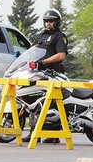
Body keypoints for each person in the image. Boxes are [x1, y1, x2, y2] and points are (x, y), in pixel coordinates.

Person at [22, 8, 68, 144]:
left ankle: (53, 135)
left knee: (52, 104)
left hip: (54, 73)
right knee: (35, 103)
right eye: (46, 21)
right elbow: (32, 51)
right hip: (39, 74)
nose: (48, 24)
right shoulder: (41, 36)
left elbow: (61, 55)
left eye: (51, 21)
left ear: (57, 22)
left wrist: (44, 62)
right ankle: (33, 132)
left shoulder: (60, 37)